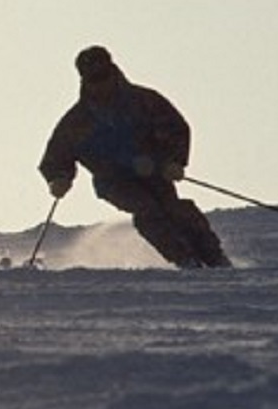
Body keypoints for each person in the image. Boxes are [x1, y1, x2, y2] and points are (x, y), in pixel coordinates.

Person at [39, 46, 230, 268]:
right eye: (94, 79)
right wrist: (59, 178)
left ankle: (214, 258)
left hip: (154, 172)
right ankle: (185, 260)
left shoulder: (145, 101)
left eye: (104, 76)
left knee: (175, 209)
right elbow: (57, 155)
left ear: (113, 71)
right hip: (113, 181)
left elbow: (176, 128)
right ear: (84, 80)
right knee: (147, 210)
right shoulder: (77, 121)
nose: (102, 84)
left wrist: (174, 161)